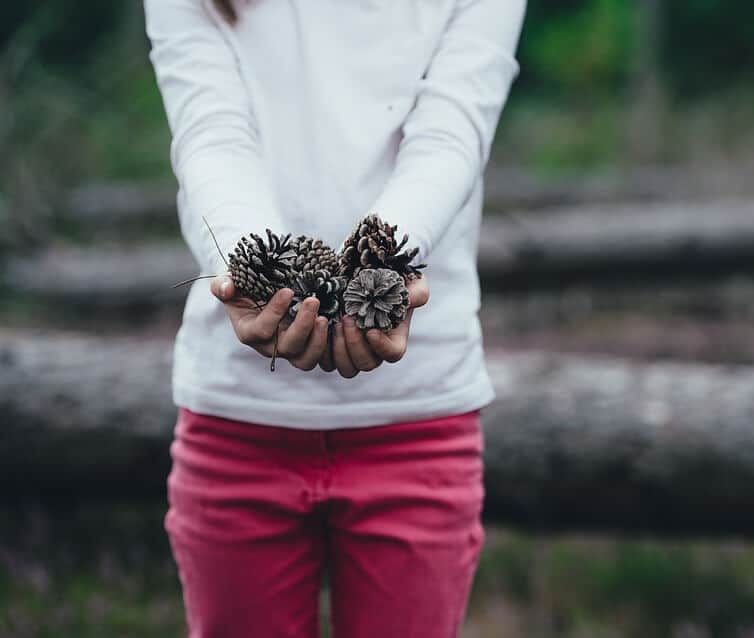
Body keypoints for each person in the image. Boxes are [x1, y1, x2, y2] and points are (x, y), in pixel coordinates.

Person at [143, 0, 525, 636]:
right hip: (236, 426)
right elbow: (211, 133)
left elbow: (452, 132)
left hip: (418, 419)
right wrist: (254, 273)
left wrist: (384, 264)